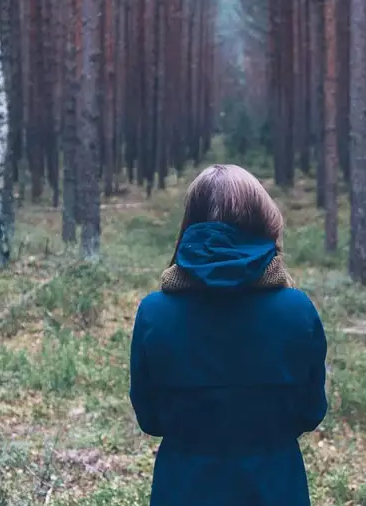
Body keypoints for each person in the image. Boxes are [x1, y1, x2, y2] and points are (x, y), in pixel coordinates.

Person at [128, 164, 328, 506]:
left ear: (190, 224)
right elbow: (310, 413)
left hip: (183, 489)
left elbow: (150, 418)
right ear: (263, 222)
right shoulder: (298, 310)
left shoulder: (154, 313)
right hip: (275, 488)